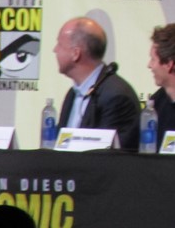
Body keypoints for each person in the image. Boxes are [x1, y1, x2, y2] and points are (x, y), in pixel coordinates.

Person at [54, 17, 140, 151]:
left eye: (59, 44)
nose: (55, 50)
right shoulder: (72, 94)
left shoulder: (116, 97)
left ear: (76, 53)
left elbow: (108, 157)